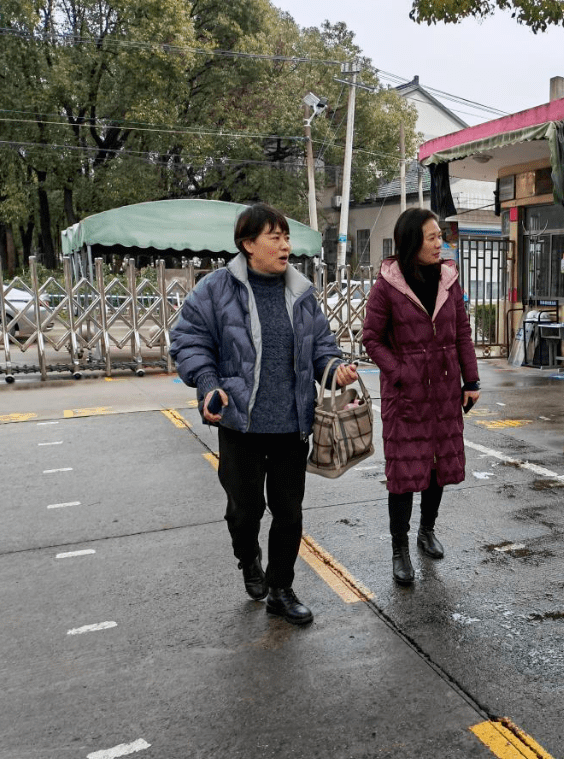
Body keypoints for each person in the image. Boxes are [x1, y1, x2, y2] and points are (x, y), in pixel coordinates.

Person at [169, 202, 357, 625]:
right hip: (241, 423)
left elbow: (323, 348)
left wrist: (335, 370)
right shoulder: (215, 290)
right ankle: (248, 559)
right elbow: (188, 341)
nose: (285, 245)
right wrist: (207, 384)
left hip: (292, 424)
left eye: (287, 237)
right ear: (248, 244)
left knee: (289, 512)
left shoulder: (302, 293)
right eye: (275, 237)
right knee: (245, 509)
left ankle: (281, 588)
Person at [362, 208, 480, 585]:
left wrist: (471, 380)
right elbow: (371, 339)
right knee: (403, 472)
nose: (439, 243)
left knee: (437, 466)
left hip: (445, 391)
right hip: (405, 396)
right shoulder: (388, 285)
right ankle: (399, 548)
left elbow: (462, 331)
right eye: (431, 237)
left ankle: (426, 530)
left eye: (439, 236)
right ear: (412, 242)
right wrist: (400, 373)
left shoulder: (449, 279)